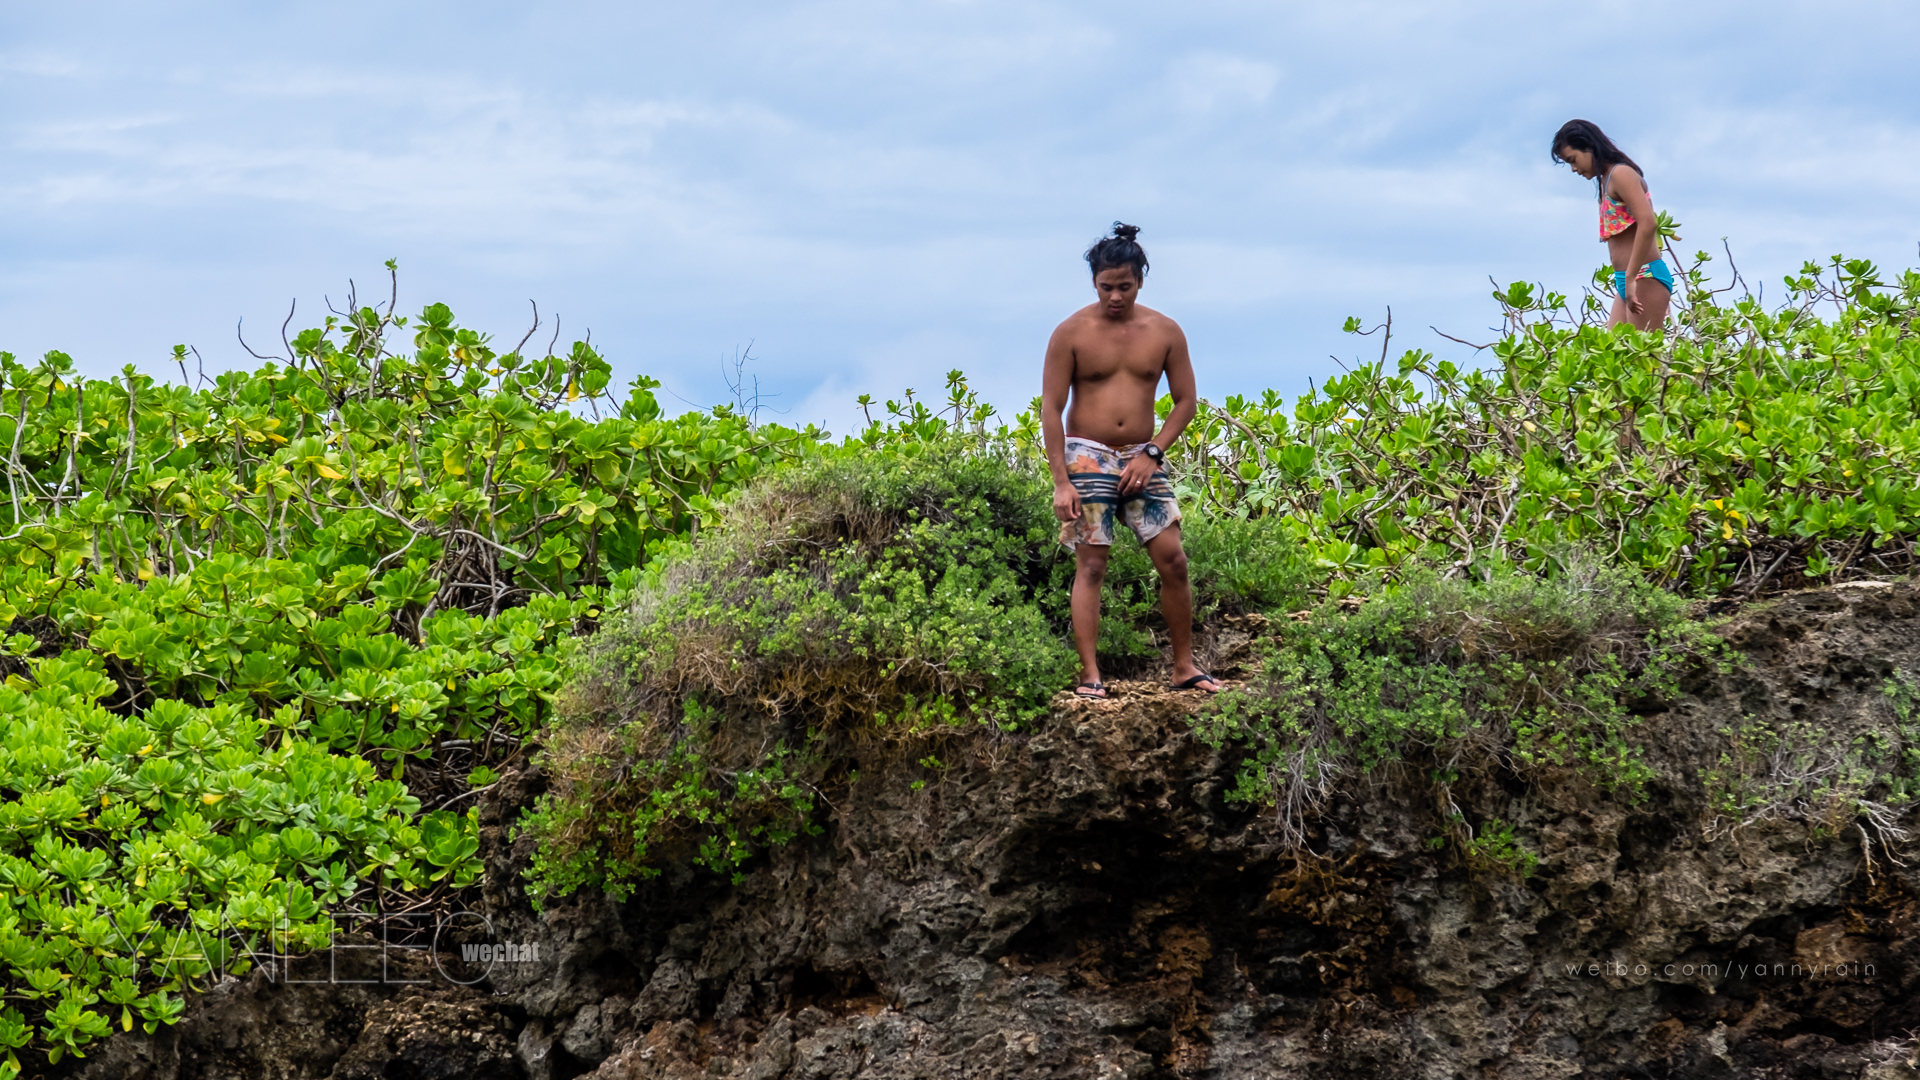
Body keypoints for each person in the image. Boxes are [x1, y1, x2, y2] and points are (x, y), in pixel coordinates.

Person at [1040, 223, 1221, 700]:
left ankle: (1184, 667)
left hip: (1143, 456)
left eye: (1124, 286)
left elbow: (1185, 401)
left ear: (1140, 280)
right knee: (1092, 565)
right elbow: (1051, 408)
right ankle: (1090, 675)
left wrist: (1153, 452)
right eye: (1106, 287)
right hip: (1087, 455)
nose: (1115, 296)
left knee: (1174, 560)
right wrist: (1062, 482)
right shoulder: (1071, 333)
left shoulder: (1164, 332)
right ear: (1093, 282)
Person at [1551, 119, 1671, 331]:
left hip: (1644, 275)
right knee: (1612, 355)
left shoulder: (1621, 174)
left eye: (1573, 160)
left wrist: (1633, 278)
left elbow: (1648, 223)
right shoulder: (1605, 180)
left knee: (1642, 360)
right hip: (1627, 279)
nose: (1573, 169)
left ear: (1588, 147)